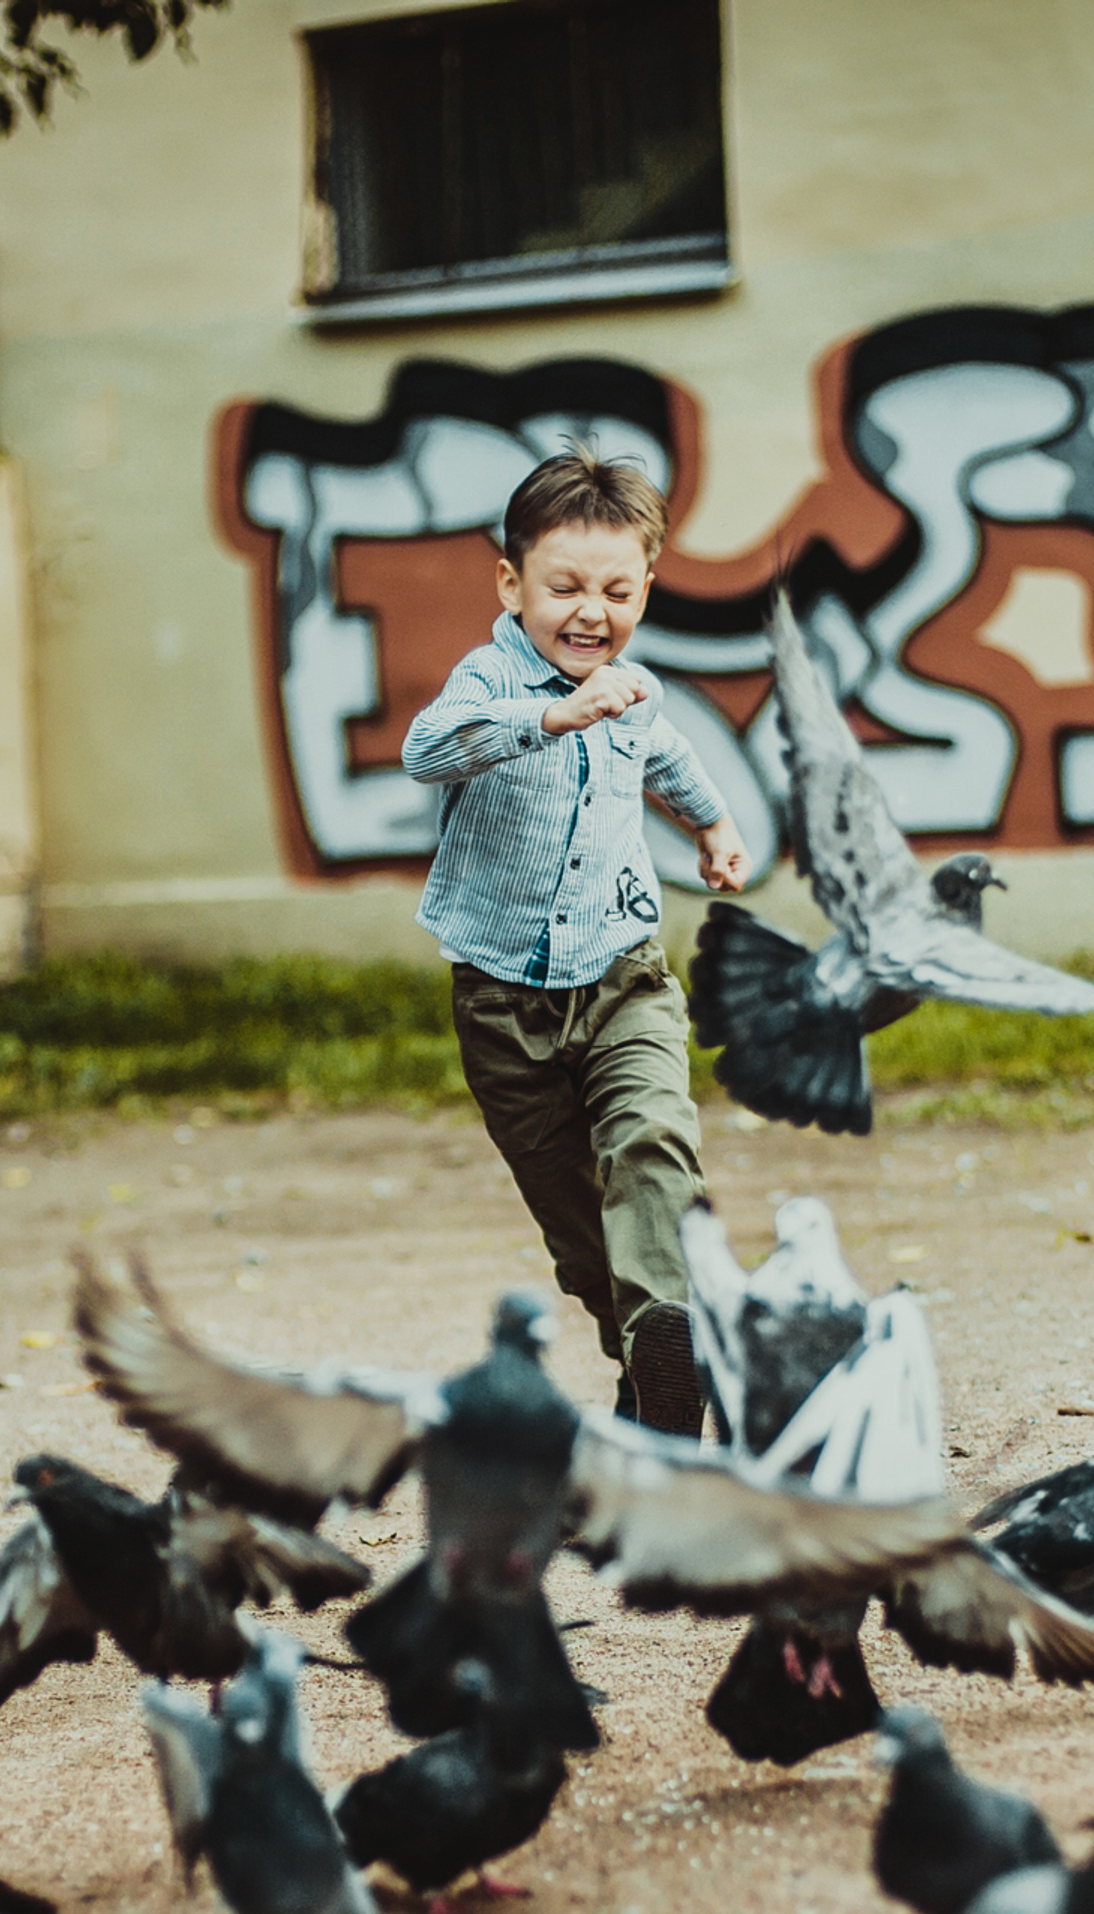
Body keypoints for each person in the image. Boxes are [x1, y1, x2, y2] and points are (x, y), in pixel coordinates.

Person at [403, 447, 751, 1437]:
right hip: (501, 1004)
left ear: (645, 587)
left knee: (651, 1142)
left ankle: (672, 1336)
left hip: (624, 977)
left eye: (616, 589)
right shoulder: (490, 680)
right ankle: (645, 1358)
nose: (589, 612)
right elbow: (427, 747)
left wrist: (715, 827)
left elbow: (672, 760)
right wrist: (550, 715)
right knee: (575, 1222)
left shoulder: (633, 691)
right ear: (512, 583)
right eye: (563, 587)